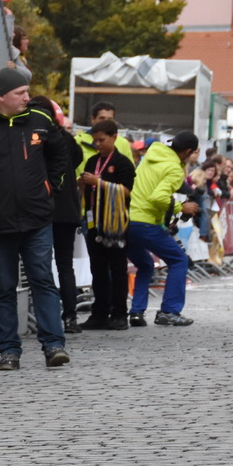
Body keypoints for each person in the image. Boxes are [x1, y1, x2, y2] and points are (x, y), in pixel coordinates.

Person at [0, 71, 71, 370]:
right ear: (1, 96)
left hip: (37, 220)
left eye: (28, 92)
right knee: (3, 288)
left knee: (43, 281)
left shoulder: (40, 121)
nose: (27, 98)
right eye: (20, 93)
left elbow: (62, 154)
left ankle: (54, 346)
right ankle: (8, 351)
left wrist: (50, 186)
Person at [125, 130, 202, 327]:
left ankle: (136, 312)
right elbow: (158, 197)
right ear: (187, 151)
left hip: (128, 221)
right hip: (145, 222)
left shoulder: (151, 157)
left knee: (145, 265)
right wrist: (181, 207)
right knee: (179, 260)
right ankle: (169, 311)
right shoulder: (175, 169)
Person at [78, 119, 134, 330]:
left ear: (114, 137)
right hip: (94, 222)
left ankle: (120, 314)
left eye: (102, 140)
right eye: (95, 140)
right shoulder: (92, 161)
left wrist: (99, 183)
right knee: (97, 269)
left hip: (115, 223)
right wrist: (82, 183)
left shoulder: (122, 163)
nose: (98, 144)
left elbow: (127, 191)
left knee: (118, 269)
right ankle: (99, 313)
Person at [38, 97, 85, 335]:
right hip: (68, 210)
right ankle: (70, 317)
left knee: (41, 267)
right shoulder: (66, 138)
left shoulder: (37, 136)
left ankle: (45, 319)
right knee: (65, 266)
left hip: (44, 209)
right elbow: (77, 158)